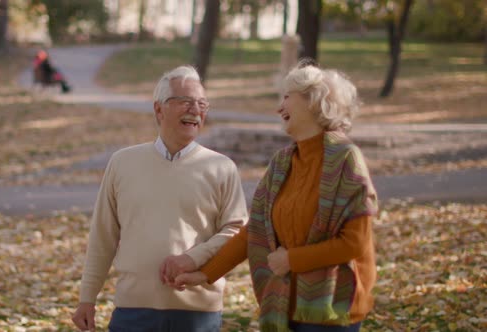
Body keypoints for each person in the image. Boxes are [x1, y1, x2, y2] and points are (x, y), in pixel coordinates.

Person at [172, 61, 379, 332]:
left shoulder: (345, 159)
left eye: (286, 97)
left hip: (333, 310)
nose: (279, 107)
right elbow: (254, 231)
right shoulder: (282, 163)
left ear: (313, 101)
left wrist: (292, 259)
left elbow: (354, 244)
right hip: (285, 308)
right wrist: (206, 273)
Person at [71, 65, 248, 332]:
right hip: (132, 312)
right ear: (158, 109)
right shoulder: (122, 163)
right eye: (185, 102)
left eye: (202, 103)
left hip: (197, 314)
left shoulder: (222, 167)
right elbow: (102, 235)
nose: (195, 110)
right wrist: (87, 298)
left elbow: (236, 232)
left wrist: (193, 258)